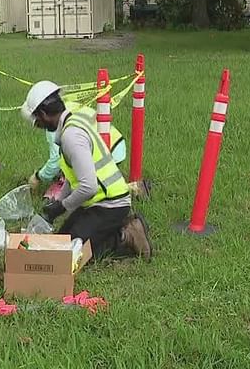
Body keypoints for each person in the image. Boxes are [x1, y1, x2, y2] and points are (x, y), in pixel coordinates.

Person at [21, 80, 152, 260]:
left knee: (72, 254)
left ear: (43, 114)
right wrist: (58, 200)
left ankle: (126, 235)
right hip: (96, 202)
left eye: (37, 121)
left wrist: (62, 207)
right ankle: (109, 229)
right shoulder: (71, 124)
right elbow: (72, 177)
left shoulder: (71, 137)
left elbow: (88, 187)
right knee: (62, 240)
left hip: (111, 204)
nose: (38, 125)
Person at [27, 103, 127, 201]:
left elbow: (56, 161)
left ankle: (128, 189)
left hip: (104, 153)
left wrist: (38, 177)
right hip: (115, 145)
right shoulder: (66, 107)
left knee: (82, 188)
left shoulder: (54, 124)